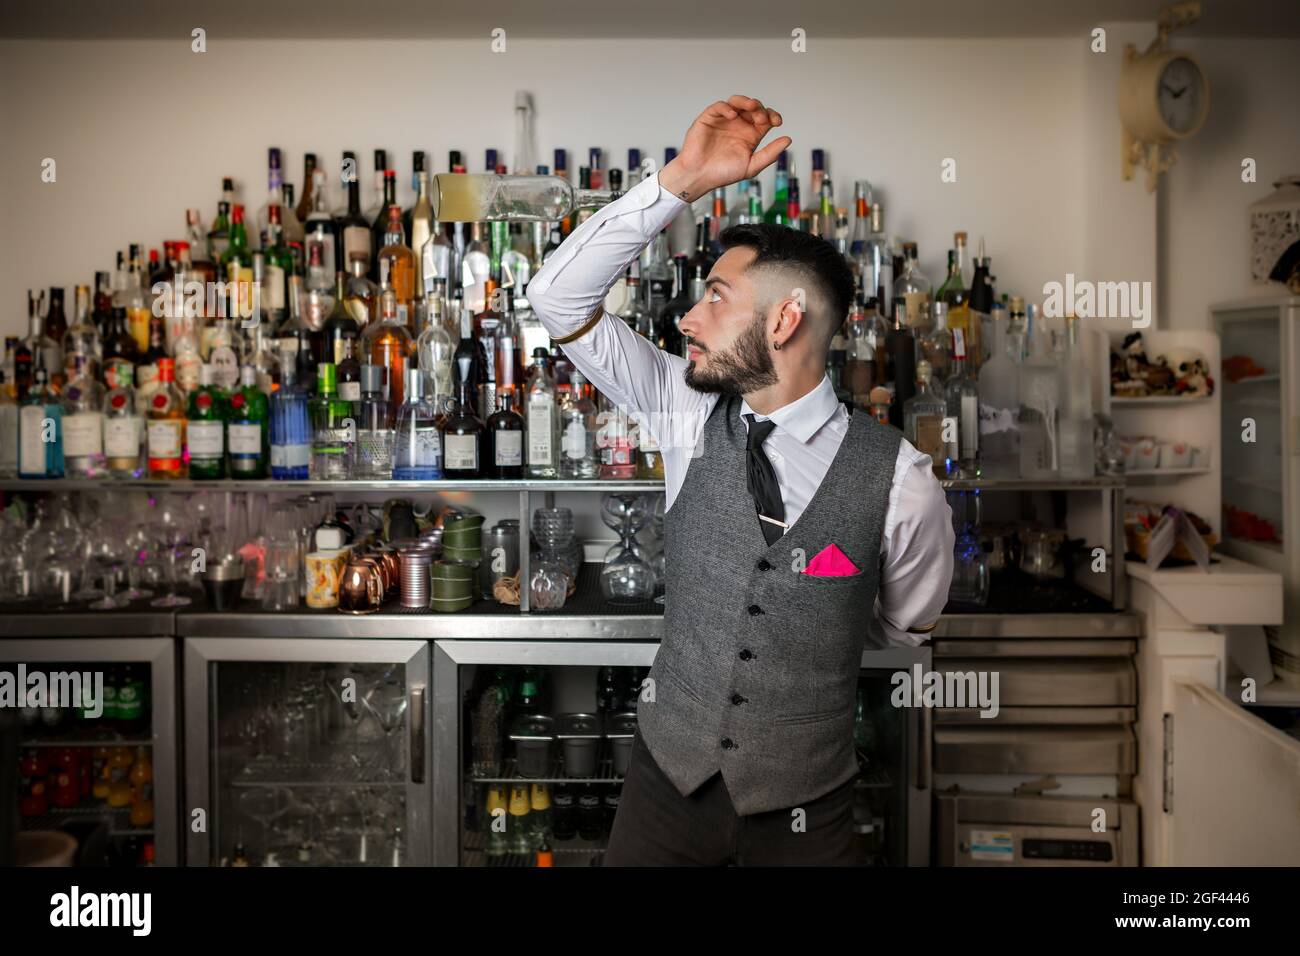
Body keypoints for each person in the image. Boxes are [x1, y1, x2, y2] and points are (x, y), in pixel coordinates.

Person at [528, 95, 955, 865]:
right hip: (664, 792)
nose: (688, 321)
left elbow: (900, 628)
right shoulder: (682, 411)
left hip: (808, 815)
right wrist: (682, 181)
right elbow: (555, 299)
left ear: (785, 320)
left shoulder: (903, 482)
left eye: (715, 299)